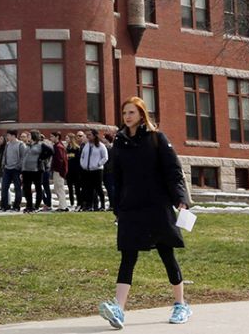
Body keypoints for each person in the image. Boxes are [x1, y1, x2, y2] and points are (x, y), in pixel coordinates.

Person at [97, 97, 192, 329]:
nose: (127, 116)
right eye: (124, 112)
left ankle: (181, 304)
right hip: (131, 207)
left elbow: (173, 170)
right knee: (127, 256)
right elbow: (115, 177)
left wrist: (181, 199)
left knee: (166, 254)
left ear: (141, 114)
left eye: (131, 112)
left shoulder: (156, 138)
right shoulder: (119, 142)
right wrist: (116, 207)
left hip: (157, 206)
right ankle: (118, 309)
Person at [80, 128, 110, 211]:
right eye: (87, 135)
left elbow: (105, 157)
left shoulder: (100, 146)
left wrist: (98, 164)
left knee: (98, 188)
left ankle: (102, 205)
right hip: (87, 170)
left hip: (97, 170)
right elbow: (82, 156)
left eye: (89, 135)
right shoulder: (86, 145)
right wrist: (83, 164)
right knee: (88, 188)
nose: (88, 136)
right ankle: (90, 205)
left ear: (94, 135)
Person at [0, 129, 24, 211]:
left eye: (8, 135)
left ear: (13, 135)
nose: (7, 137)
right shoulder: (8, 144)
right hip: (7, 169)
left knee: (17, 188)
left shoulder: (20, 145)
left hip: (16, 170)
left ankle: (16, 206)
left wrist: (19, 168)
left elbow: (23, 158)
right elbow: (5, 156)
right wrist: (3, 165)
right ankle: (4, 206)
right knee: (4, 188)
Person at [19, 130, 40, 212]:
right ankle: (29, 205)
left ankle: (36, 206)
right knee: (26, 188)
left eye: (29, 136)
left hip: (36, 170)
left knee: (37, 188)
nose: (28, 137)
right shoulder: (27, 146)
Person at [51, 130, 69, 212]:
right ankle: (63, 205)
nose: (50, 138)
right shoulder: (58, 146)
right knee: (58, 188)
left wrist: (57, 169)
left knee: (59, 188)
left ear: (57, 137)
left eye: (52, 136)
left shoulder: (58, 147)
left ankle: (62, 206)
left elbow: (60, 160)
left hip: (59, 171)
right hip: (59, 170)